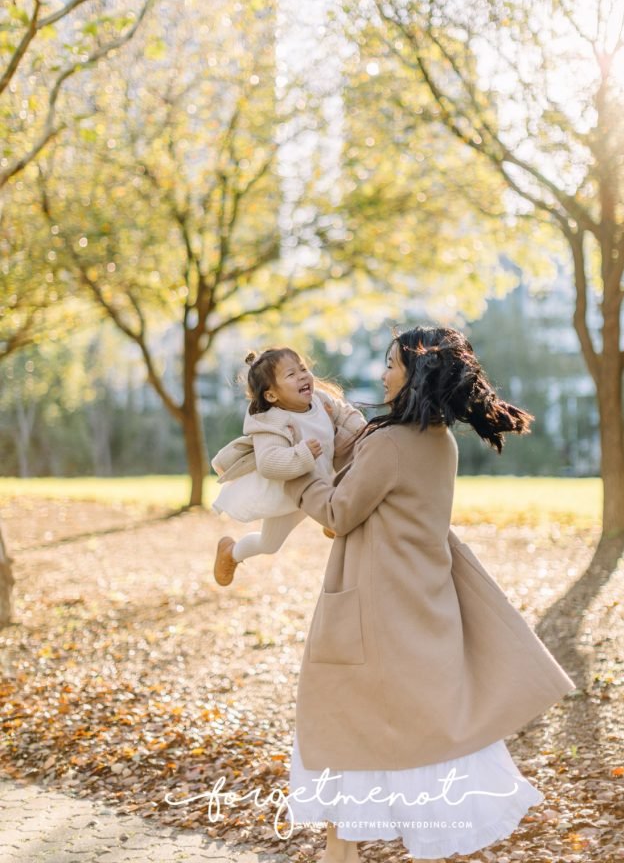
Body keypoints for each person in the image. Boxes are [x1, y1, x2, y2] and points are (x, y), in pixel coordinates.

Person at [281, 326, 576, 862]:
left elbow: (338, 512)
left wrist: (293, 476)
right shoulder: (437, 440)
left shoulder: (391, 443)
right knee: (406, 747)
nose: (383, 374)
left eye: (392, 364)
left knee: (349, 749)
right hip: (421, 605)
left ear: (415, 374)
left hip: (376, 614)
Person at [211, 347, 366, 586]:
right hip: (290, 492)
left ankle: (333, 520)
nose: (303, 376)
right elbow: (268, 463)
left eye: (303, 369)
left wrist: (362, 429)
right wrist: (302, 454)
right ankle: (230, 552)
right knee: (268, 544)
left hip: (324, 482)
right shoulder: (273, 423)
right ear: (272, 396)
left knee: (349, 497)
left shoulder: (320, 400)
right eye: (291, 375)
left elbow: (344, 414)